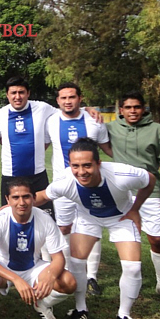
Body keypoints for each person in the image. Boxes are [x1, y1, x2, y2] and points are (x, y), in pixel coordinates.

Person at [36, 138, 156, 319]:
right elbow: (41, 196)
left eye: (87, 165)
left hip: (121, 217)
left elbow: (150, 180)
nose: (81, 171)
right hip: (88, 217)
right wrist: (10, 206)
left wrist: (135, 209)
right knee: (76, 262)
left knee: (133, 267)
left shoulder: (121, 175)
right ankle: (80, 308)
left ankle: (124, 315)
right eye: (75, 166)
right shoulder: (66, 181)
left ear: (99, 163)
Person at [106, 91, 160, 306]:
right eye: (128, 107)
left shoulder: (156, 129)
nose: (133, 111)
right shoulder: (111, 128)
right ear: (121, 110)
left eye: (137, 107)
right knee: (127, 240)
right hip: (121, 194)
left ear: (143, 109)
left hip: (150, 192)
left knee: (156, 239)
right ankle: (131, 284)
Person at [0, 178, 76, 319]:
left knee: (68, 282)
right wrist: (16, 279)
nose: (21, 202)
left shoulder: (45, 219)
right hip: (4, 266)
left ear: (34, 198)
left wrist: (50, 276)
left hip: (33, 267)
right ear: (7, 199)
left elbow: (58, 258)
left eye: (26, 197)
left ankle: (42, 304)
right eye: (16, 197)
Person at [45, 82, 111, 294]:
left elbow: (108, 149)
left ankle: (92, 276)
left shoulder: (94, 121)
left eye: (72, 97)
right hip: (63, 185)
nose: (67, 101)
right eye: (63, 98)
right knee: (64, 228)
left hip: (91, 185)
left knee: (92, 227)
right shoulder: (51, 120)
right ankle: (67, 270)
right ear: (57, 101)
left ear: (80, 99)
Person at [0, 76, 56, 217]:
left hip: (38, 176)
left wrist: (86, 109)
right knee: (12, 219)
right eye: (13, 93)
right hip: (11, 177)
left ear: (28, 93)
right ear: (7, 95)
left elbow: (64, 113)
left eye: (21, 92)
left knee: (46, 218)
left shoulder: (42, 108)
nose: (17, 96)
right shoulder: (0, 114)